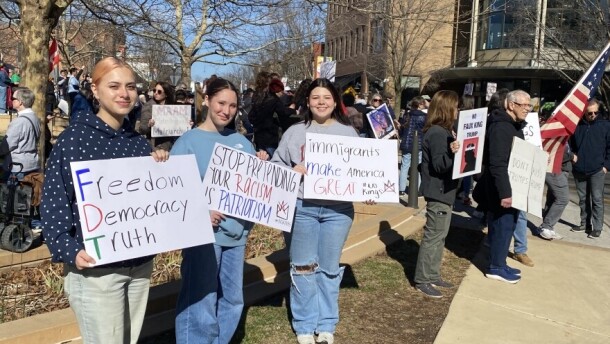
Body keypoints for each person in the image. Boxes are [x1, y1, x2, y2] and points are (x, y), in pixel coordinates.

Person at [41, 57, 169, 344]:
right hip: (97, 270)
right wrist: (69, 248)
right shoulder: (73, 139)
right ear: (95, 90)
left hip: (139, 266)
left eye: (131, 86)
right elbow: (53, 202)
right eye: (114, 86)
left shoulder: (137, 143)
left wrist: (160, 167)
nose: (125, 93)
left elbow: (148, 201)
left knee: (128, 339)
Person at [172, 78, 268, 343]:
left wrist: (262, 163)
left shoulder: (242, 142)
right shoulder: (188, 141)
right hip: (204, 236)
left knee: (233, 299)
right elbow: (176, 191)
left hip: (236, 235)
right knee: (200, 299)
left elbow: (255, 187)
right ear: (207, 101)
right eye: (221, 103)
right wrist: (201, 210)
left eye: (233, 106)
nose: (226, 110)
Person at [271, 78, 362, 344]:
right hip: (303, 208)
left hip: (338, 211)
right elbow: (276, 169)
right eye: (315, 98)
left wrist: (370, 190)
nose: (321, 102)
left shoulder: (349, 133)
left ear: (335, 101)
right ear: (307, 102)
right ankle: (304, 323)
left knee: (330, 268)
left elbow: (362, 171)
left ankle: (326, 323)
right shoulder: (294, 132)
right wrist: (292, 171)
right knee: (302, 267)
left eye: (326, 97)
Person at [474, 89, 531, 283]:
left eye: (530, 105)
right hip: (501, 188)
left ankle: (500, 263)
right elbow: (497, 163)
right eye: (524, 105)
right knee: (501, 226)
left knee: (508, 226)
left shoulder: (513, 126)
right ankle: (495, 267)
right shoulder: (500, 127)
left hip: (512, 185)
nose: (527, 109)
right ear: (511, 105)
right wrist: (505, 193)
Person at [413, 90, 461, 298]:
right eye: (456, 106)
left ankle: (432, 274)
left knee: (440, 236)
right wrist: (453, 151)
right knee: (433, 237)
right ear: (447, 108)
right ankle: (423, 279)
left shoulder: (443, 132)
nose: (458, 110)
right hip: (439, 192)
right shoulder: (438, 133)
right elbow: (440, 165)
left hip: (445, 192)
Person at [569, 98, 610, 238]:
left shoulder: (605, 126)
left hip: (597, 169)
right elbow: (571, 144)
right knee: (582, 199)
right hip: (579, 169)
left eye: (595, 113)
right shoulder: (577, 126)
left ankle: (597, 227)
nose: (592, 115)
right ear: (584, 113)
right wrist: (573, 155)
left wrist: (606, 166)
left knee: (597, 199)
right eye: (589, 113)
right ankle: (585, 223)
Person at [249, 77, 296, 156]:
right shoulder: (275, 100)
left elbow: (250, 116)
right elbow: (283, 112)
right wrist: (293, 110)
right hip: (270, 137)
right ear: (277, 90)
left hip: (258, 136)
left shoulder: (260, 99)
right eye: (281, 91)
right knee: (271, 160)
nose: (282, 93)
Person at [3, 88, 41, 178]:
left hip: (17, 166)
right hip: (32, 163)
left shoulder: (19, 121)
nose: (11, 100)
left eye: (13, 98)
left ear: (20, 102)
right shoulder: (35, 117)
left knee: (12, 191)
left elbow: (7, 145)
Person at [536, 143, 571, 240]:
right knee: (563, 198)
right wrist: (571, 156)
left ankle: (547, 227)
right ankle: (546, 226)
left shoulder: (566, 135)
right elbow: (555, 155)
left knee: (553, 198)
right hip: (554, 169)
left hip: (561, 169)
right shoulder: (556, 132)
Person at [399, 96, 427, 196]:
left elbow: (401, 129)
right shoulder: (424, 116)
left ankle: (401, 189)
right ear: (420, 105)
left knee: (404, 166)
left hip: (406, 143)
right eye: (423, 103)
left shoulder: (406, 115)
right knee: (418, 167)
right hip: (419, 144)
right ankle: (417, 189)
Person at [138, 81, 177, 150]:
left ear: (166, 94)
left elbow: (176, 126)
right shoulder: (148, 106)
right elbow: (142, 129)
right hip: (154, 147)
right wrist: (149, 125)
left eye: (159, 91)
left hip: (170, 146)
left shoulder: (171, 107)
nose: (155, 93)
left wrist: (186, 123)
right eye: (154, 90)